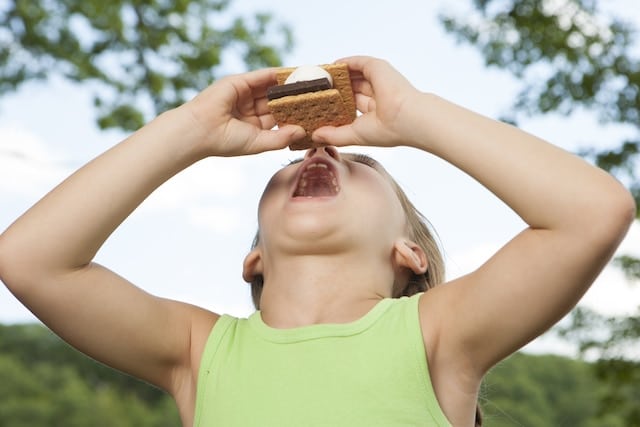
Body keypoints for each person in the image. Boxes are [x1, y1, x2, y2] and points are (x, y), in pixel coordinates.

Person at [0, 56, 634, 427]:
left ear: (408, 252)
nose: (323, 149)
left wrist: (412, 115)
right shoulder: (197, 350)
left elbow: (594, 212)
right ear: (253, 259)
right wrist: (187, 129)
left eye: (362, 166)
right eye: (284, 169)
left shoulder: (438, 333)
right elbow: (29, 259)